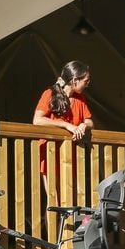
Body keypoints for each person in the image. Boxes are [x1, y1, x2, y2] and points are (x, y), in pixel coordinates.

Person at [32, 61, 94, 193]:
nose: (87, 84)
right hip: (51, 152)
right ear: (75, 80)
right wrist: (67, 125)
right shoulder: (50, 93)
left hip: (72, 153)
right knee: (54, 197)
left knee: (71, 197)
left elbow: (90, 122)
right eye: (86, 81)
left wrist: (84, 125)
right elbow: (37, 120)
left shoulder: (80, 99)